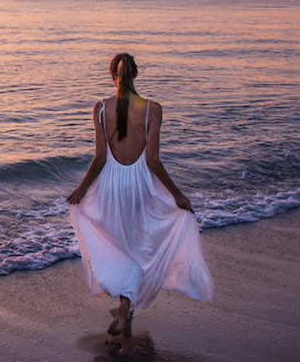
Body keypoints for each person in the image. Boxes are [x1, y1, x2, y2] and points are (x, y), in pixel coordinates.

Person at [67, 53, 214, 338]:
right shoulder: (152, 109)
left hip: (109, 186)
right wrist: (177, 195)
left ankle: (124, 305)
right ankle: (125, 308)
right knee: (138, 247)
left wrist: (81, 190)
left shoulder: (100, 108)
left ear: (112, 75)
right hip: (140, 187)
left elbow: (99, 159)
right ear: (136, 75)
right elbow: (153, 161)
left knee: (116, 246)